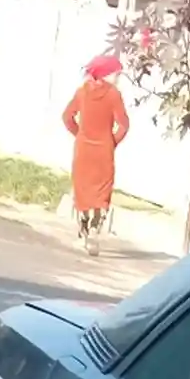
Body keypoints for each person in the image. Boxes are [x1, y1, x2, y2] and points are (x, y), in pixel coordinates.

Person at [63, 54, 131, 252]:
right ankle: (95, 229)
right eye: (117, 73)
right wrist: (111, 142)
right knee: (101, 192)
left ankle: (83, 229)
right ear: (107, 74)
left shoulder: (82, 93)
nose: (118, 77)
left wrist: (80, 135)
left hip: (83, 149)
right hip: (104, 151)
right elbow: (124, 125)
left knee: (83, 190)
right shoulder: (113, 95)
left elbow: (67, 117)